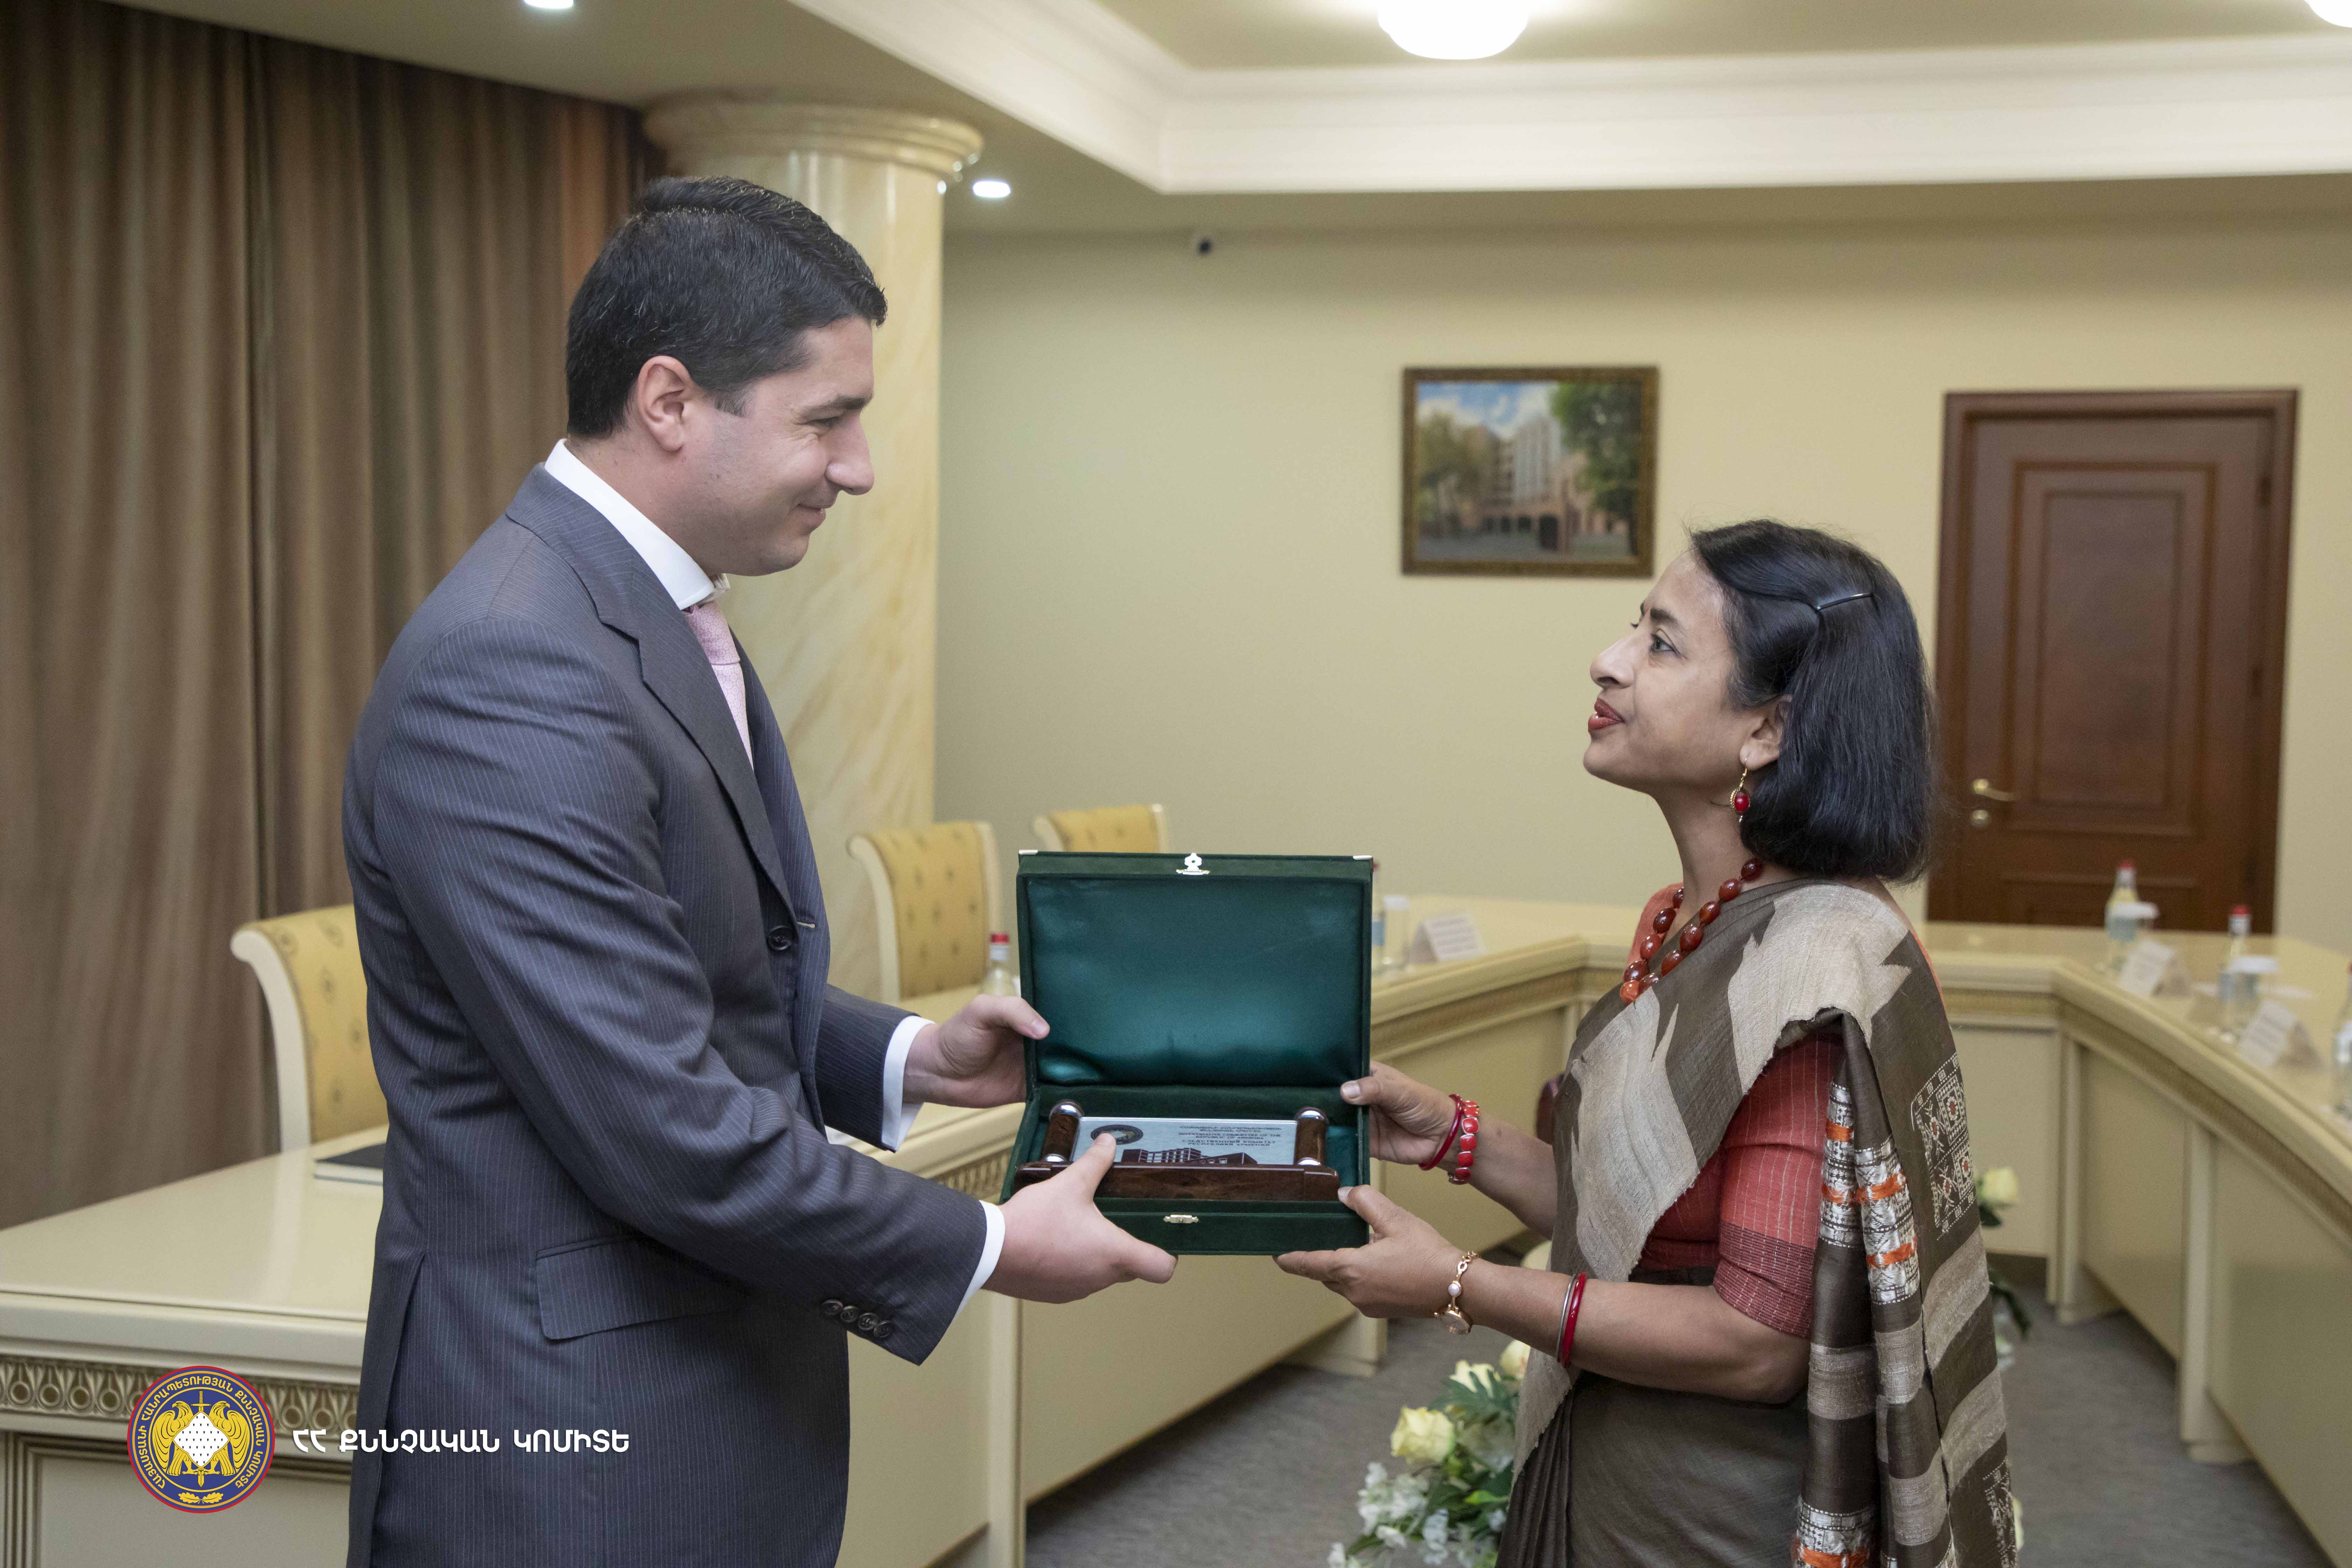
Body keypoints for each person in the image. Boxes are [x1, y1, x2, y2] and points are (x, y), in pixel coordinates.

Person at [340, 176, 1173, 1568]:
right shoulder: (513, 662)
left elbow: (691, 973)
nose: (860, 468)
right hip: (567, 1440)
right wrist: (986, 1246)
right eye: (826, 420)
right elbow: (660, 1121)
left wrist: (907, 1057)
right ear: (671, 401)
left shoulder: (644, 611)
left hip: (689, 1385)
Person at [1278, 522, 2012, 1566]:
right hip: (1611, 1457)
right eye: (1635, 628)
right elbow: (1638, 1225)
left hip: (1707, 1511)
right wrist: (1453, 1136)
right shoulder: (1683, 919)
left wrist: (1457, 1283)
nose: (1608, 660)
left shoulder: (1813, 968)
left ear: (1768, 728)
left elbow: (1754, 1343)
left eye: (1661, 643)